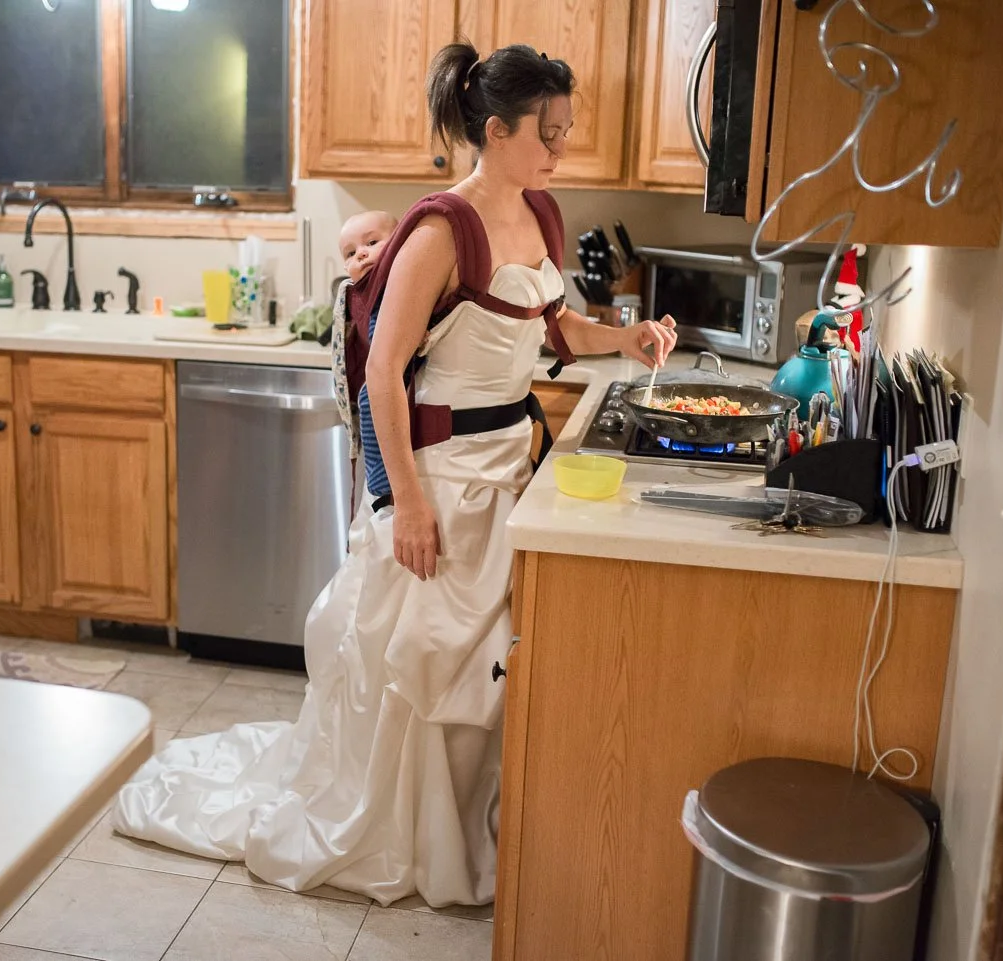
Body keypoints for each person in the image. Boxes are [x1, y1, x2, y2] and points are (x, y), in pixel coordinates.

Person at [112, 41, 677, 908]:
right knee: (419, 659)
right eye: (548, 135)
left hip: (507, 473)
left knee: (479, 669)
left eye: (565, 134)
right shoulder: (441, 229)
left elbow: (553, 326)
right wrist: (404, 501)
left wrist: (626, 338)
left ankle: (456, 835)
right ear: (496, 130)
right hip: (440, 482)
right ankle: (398, 842)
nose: (559, 152)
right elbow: (384, 371)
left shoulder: (544, 213)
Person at [339, 209, 398, 284]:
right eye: (351, 253)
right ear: (346, 268)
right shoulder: (348, 292)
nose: (360, 254)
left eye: (372, 243)